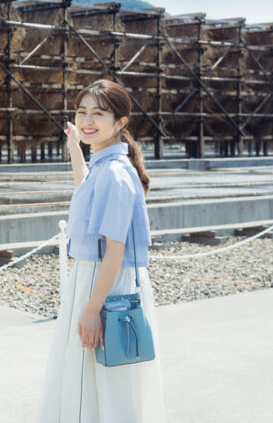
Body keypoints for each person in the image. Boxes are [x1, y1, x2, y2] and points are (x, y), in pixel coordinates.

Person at [39, 79, 165, 422]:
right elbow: (84, 185)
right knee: (100, 376)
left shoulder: (114, 173)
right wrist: (74, 145)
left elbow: (114, 250)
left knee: (98, 374)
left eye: (98, 113)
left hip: (103, 281)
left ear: (120, 122)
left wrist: (93, 308)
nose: (87, 120)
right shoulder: (105, 165)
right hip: (99, 278)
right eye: (82, 112)